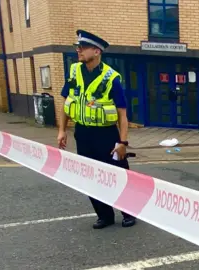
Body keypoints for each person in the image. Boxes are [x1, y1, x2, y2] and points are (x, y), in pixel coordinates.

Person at [57, 30, 137, 229]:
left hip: (107, 135)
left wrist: (122, 143)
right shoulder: (74, 71)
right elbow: (67, 103)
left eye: (83, 48)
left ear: (97, 51)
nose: (79, 50)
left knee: (117, 175)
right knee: (90, 176)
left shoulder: (111, 78)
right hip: (83, 133)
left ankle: (129, 212)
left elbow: (122, 114)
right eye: (78, 47)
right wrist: (62, 130)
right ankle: (105, 215)